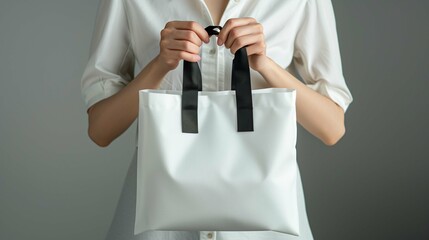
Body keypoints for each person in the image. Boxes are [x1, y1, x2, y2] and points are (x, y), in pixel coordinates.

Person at [80, 0, 353, 239]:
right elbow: (101, 130)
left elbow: (331, 129)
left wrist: (264, 64)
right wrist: (160, 64)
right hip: (158, 230)